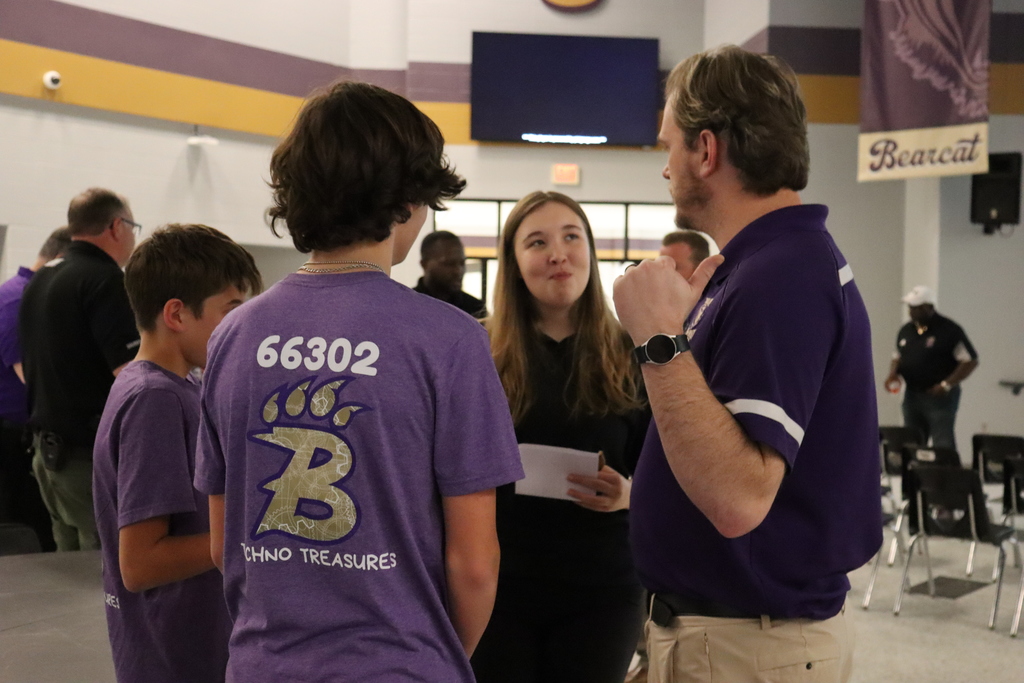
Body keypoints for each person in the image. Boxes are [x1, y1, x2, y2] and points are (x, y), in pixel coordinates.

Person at [193, 81, 524, 683]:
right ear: (407, 199)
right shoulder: (449, 339)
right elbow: (476, 564)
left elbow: (224, 546)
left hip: (261, 665)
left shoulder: (232, 337)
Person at [612, 46, 880, 682]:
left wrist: (658, 342)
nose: (665, 168)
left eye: (668, 147)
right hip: (727, 636)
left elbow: (737, 498)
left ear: (707, 151)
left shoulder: (782, 274)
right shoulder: (762, 266)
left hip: (747, 645)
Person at [470, 191, 650, 683]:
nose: (558, 253)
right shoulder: (477, 351)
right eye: (537, 242)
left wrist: (630, 493)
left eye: (572, 237)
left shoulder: (635, 351)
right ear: (513, 263)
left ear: (590, 251)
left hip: (602, 586)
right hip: (499, 584)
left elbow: (670, 468)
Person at [92, 224, 262, 683]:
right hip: (174, 654)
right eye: (229, 310)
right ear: (176, 314)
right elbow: (140, 564)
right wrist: (245, 534)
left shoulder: (171, 384)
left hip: (184, 640)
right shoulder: (155, 399)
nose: (237, 327)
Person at [20, 188, 141, 551]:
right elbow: (130, 374)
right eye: (134, 227)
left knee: (68, 573)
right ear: (117, 226)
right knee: (100, 572)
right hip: (85, 456)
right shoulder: (104, 279)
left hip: (46, 454)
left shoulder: (43, 277)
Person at [0, 226, 71, 551]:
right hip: (11, 433)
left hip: (22, 427)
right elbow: (31, 375)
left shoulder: (27, 293)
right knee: (26, 528)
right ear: (61, 259)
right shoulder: (17, 298)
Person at [884, 285, 978, 449]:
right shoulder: (906, 330)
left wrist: (946, 385)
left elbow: (970, 361)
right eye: (910, 307)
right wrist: (893, 374)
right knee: (911, 441)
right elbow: (897, 356)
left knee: (942, 442)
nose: (912, 312)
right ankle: (916, 473)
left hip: (939, 397)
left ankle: (946, 473)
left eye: (917, 308)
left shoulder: (949, 330)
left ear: (929, 307)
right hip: (912, 394)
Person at [414, 230, 487, 318]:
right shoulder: (407, 304)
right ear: (424, 264)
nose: (458, 271)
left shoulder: (476, 310)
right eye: (449, 264)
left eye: (462, 263)